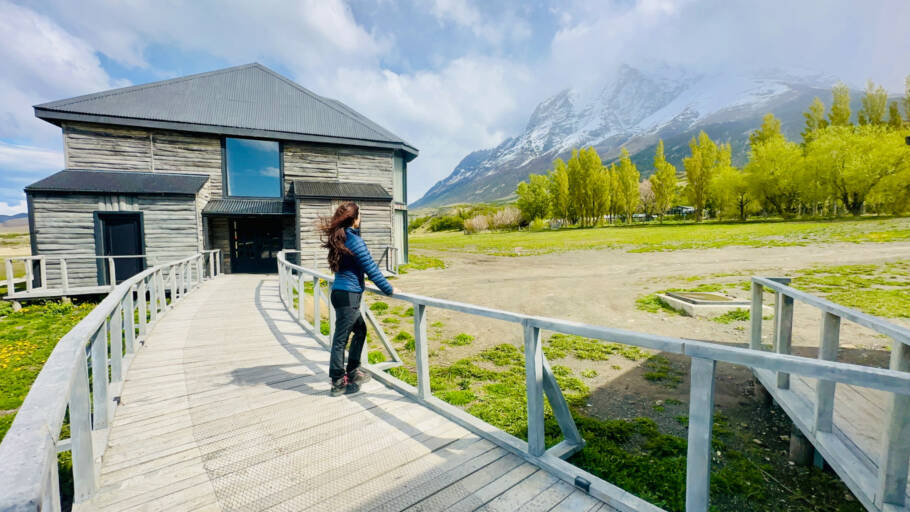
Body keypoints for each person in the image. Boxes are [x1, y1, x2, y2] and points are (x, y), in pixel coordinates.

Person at [320, 201, 396, 396]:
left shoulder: (340, 238)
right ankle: (338, 382)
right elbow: (372, 269)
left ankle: (353, 371)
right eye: (359, 216)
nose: (360, 220)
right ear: (355, 219)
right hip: (349, 296)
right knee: (340, 339)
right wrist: (390, 290)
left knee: (360, 329)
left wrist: (362, 282)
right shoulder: (354, 241)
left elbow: (351, 269)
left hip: (340, 292)